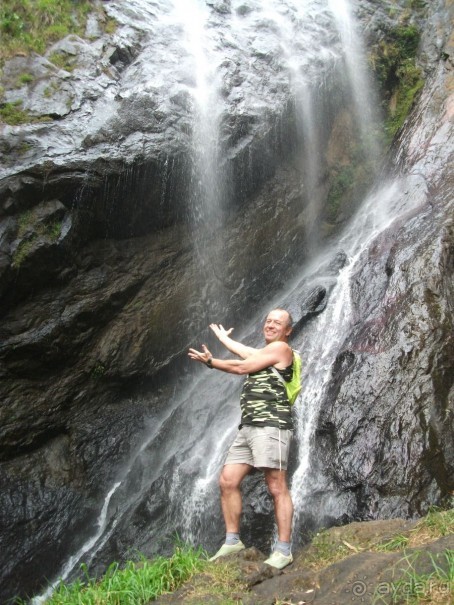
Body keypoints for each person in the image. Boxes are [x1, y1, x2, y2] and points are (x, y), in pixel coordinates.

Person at [188, 308, 295, 569]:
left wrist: (211, 362)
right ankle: (233, 541)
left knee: (276, 486)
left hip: (272, 425)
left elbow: (241, 366)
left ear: (287, 331)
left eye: (277, 322)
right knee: (227, 480)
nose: (271, 325)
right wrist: (224, 340)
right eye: (268, 320)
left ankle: (283, 550)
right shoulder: (265, 353)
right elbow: (244, 352)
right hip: (247, 427)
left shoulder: (282, 350)